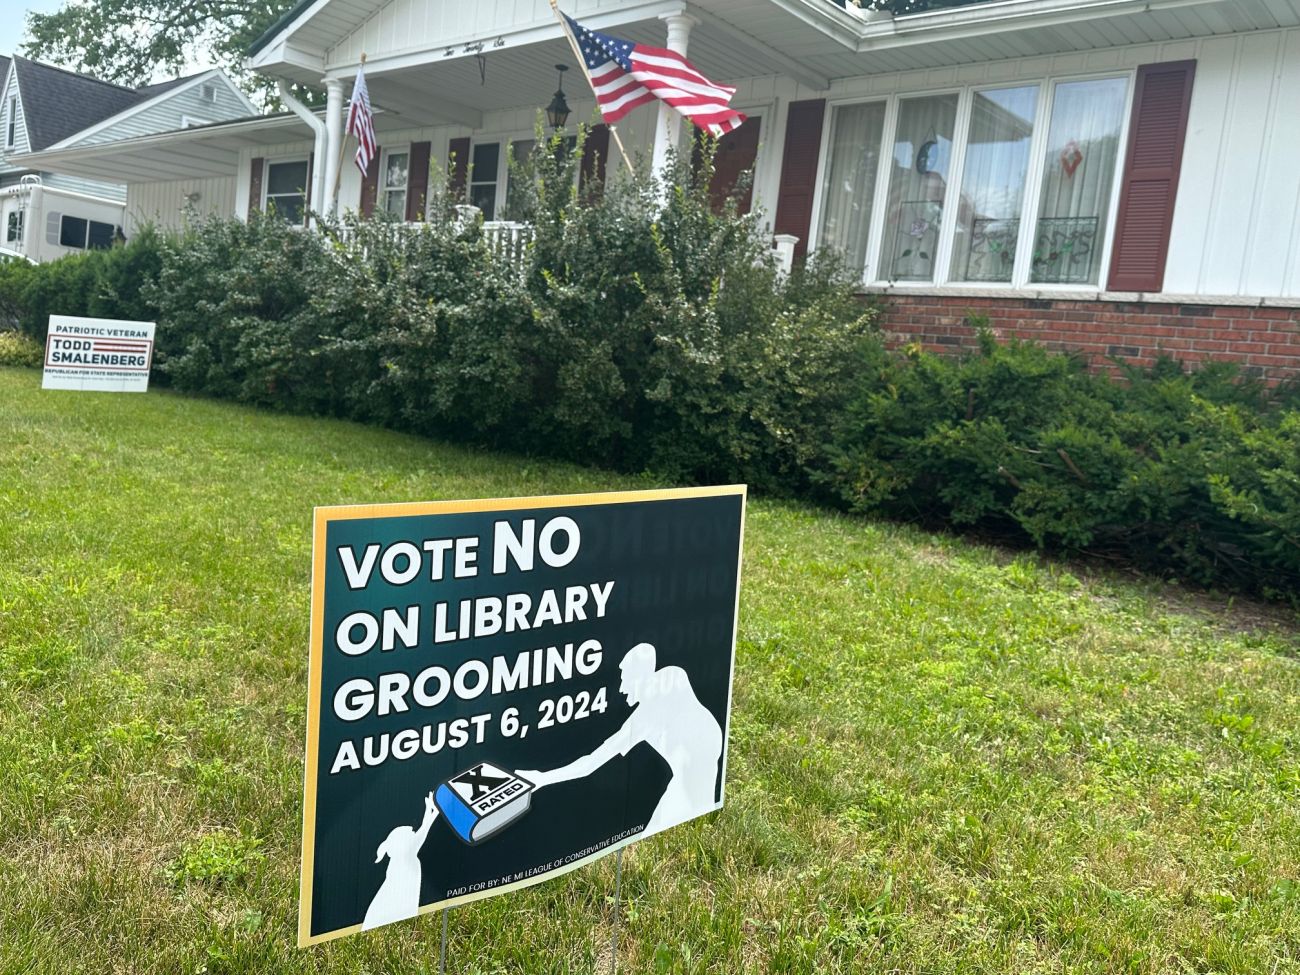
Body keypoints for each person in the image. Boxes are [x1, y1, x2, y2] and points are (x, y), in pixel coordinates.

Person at [518, 642, 723, 835]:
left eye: (624, 678)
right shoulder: (672, 678)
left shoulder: (650, 710)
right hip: (707, 759)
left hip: (692, 773)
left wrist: (543, 778)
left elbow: (591, 763)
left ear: (638, 677)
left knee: (668, 829)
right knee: (698, 821)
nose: (621, 688)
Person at [362, 791, 438, 930]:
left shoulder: (402, 857)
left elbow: (422, 828)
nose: (413, 834)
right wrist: (433, 810)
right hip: (392, 906)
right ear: (401, 841)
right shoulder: (406, 855)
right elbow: (424, 828)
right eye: (410, 834)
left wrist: (430, 808)